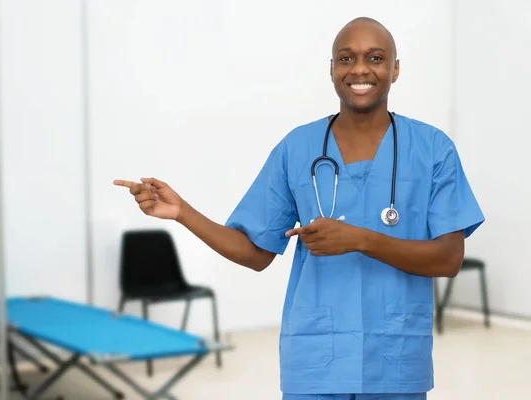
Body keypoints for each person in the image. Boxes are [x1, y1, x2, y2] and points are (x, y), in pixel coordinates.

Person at [114, 16, 484, 400]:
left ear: (395, 70)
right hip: (316, 359)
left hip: (395, 359)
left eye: (375, 58)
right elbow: (255, 252)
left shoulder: (432, 149)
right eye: (346, 58)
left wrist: (359, 239)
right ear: (332, 70)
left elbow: (448, 259)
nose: (359, 69)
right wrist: (182, 212)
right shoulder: (297, 148)